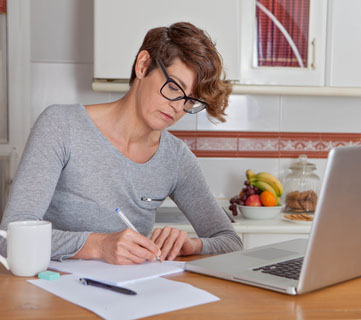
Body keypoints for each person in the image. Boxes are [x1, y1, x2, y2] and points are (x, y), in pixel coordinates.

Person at [0, 22, 243, 264]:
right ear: (143, 65)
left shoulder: (176, 159)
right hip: (55, 294)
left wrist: (192, 246)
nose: (178, 107)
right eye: (173, 88)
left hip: (130, 295)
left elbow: (230, 242)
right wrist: (99, 245)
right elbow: (9, 237)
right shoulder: (62, 126)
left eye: (190, 100)